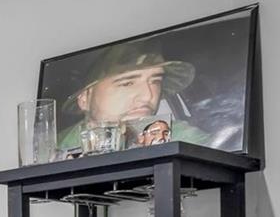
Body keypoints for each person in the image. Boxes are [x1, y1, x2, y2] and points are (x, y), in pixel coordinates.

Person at [57, 41, 208, 150]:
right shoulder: (57, 148)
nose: (148, 96)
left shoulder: (181, 139)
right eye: (127, 83)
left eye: (155, 81)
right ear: (85, 99)